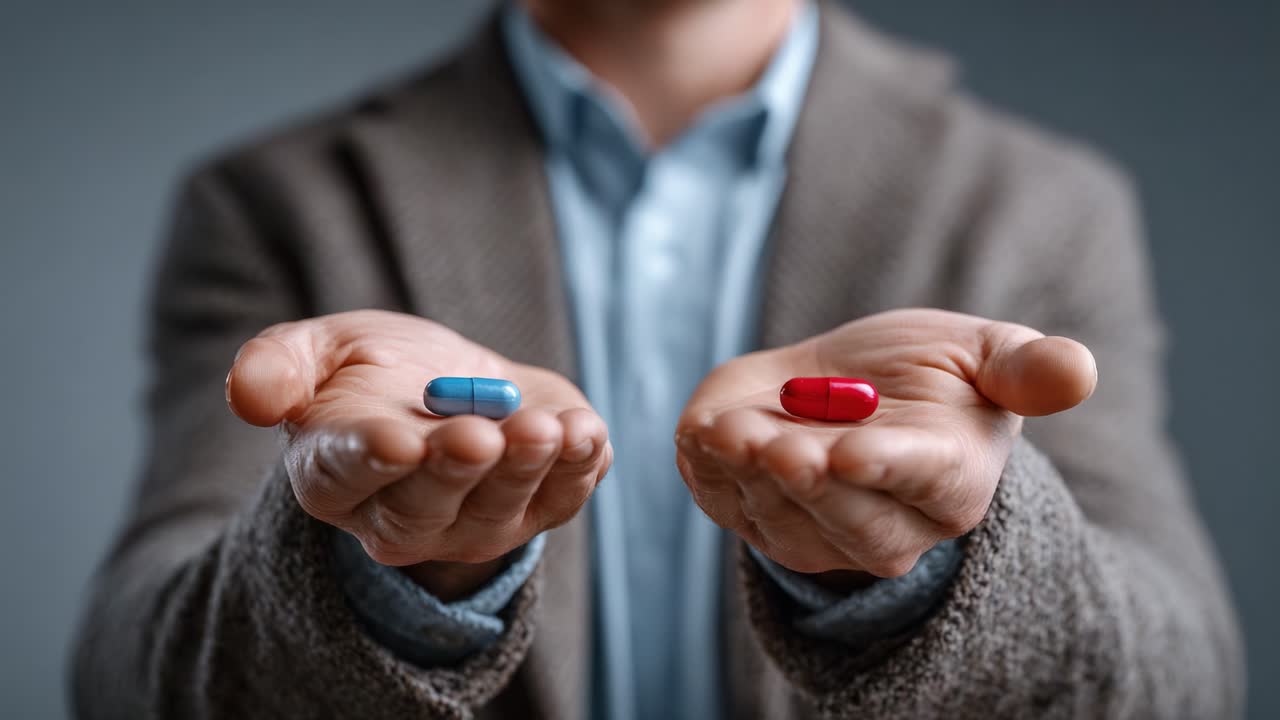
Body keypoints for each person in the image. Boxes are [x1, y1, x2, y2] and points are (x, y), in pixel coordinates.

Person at [70, 0, 1244, 717]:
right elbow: (133, 673)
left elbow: (1182, 679)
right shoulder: (278, 200)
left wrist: (947, 555)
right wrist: (391, 580)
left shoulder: (1040, 202)